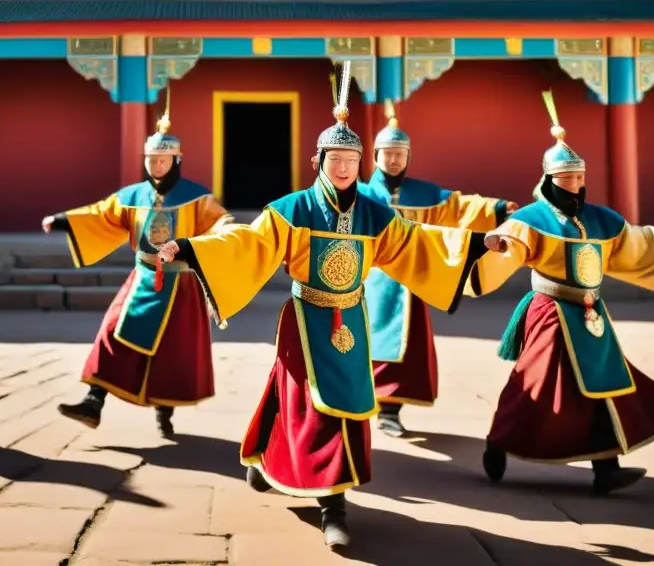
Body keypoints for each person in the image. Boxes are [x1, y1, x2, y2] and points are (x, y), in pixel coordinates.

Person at [156, 64, 488, 549]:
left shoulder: (377, 214)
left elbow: (417, 243)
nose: (344, 167)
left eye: (351, 159)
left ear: (361, 162)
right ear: (318, 161)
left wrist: (477, 244)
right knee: (308, 405)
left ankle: (268, 456)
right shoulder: (293, 209)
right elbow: (248, 243)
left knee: (341, 403)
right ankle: (333, 505)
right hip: (306, 317)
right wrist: (189, 249)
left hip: (352, 318)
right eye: (335, 158)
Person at [469, 91, 654, 494]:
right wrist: (500, 243)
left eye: (579, 178)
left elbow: (644, 243)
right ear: (549, 181)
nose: (575, 186)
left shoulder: (601, 219)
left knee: (605, 382)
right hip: (551, 312)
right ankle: (499, 442)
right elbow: (513, 241)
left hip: (592, 314)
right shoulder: (532, 217)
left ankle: (606, 468)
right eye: (567, 180)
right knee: (536, 386)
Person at [42, 91, 233, 439]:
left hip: (180, 285)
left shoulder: (197, 196)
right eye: (150, 159)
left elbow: (219, 222)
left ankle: (164, 413)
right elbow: (102, 213)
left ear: (177, 160)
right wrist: (64, 219)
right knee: (113, 331)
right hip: (142, 276)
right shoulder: (133, 196)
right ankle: (93, 400)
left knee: (172, 352)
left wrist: (229, 233)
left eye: (163, 160)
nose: (156, 166)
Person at [363, 100, 518, 437]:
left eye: (399, 154)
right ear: (374, 156)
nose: (392, 159)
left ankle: (390, 409)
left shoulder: (425, 195)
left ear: (408, 158)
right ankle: (358, 404)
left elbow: (459, 206)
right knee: (356, 343)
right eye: (386, 153)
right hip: (365, 283)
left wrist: (498, 209)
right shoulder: (357, 193)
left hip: (409, 283)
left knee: (405, 349)